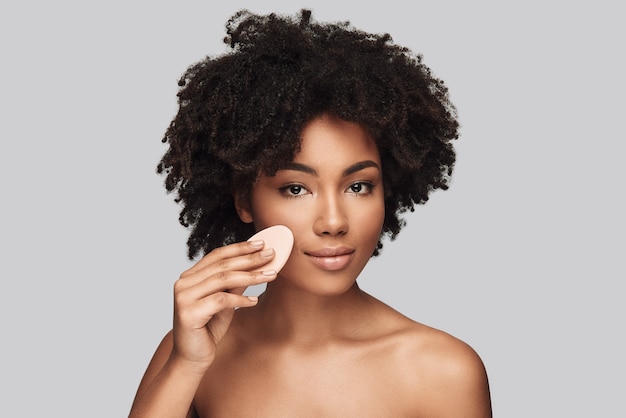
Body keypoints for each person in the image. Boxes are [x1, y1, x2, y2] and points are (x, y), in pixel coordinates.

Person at [129, 8, 492, 417]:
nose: (334, 222)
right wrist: (188, 364)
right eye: (296, 188)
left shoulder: (441, 371)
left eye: (358, 186)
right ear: (244, 200)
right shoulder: (197, 354)